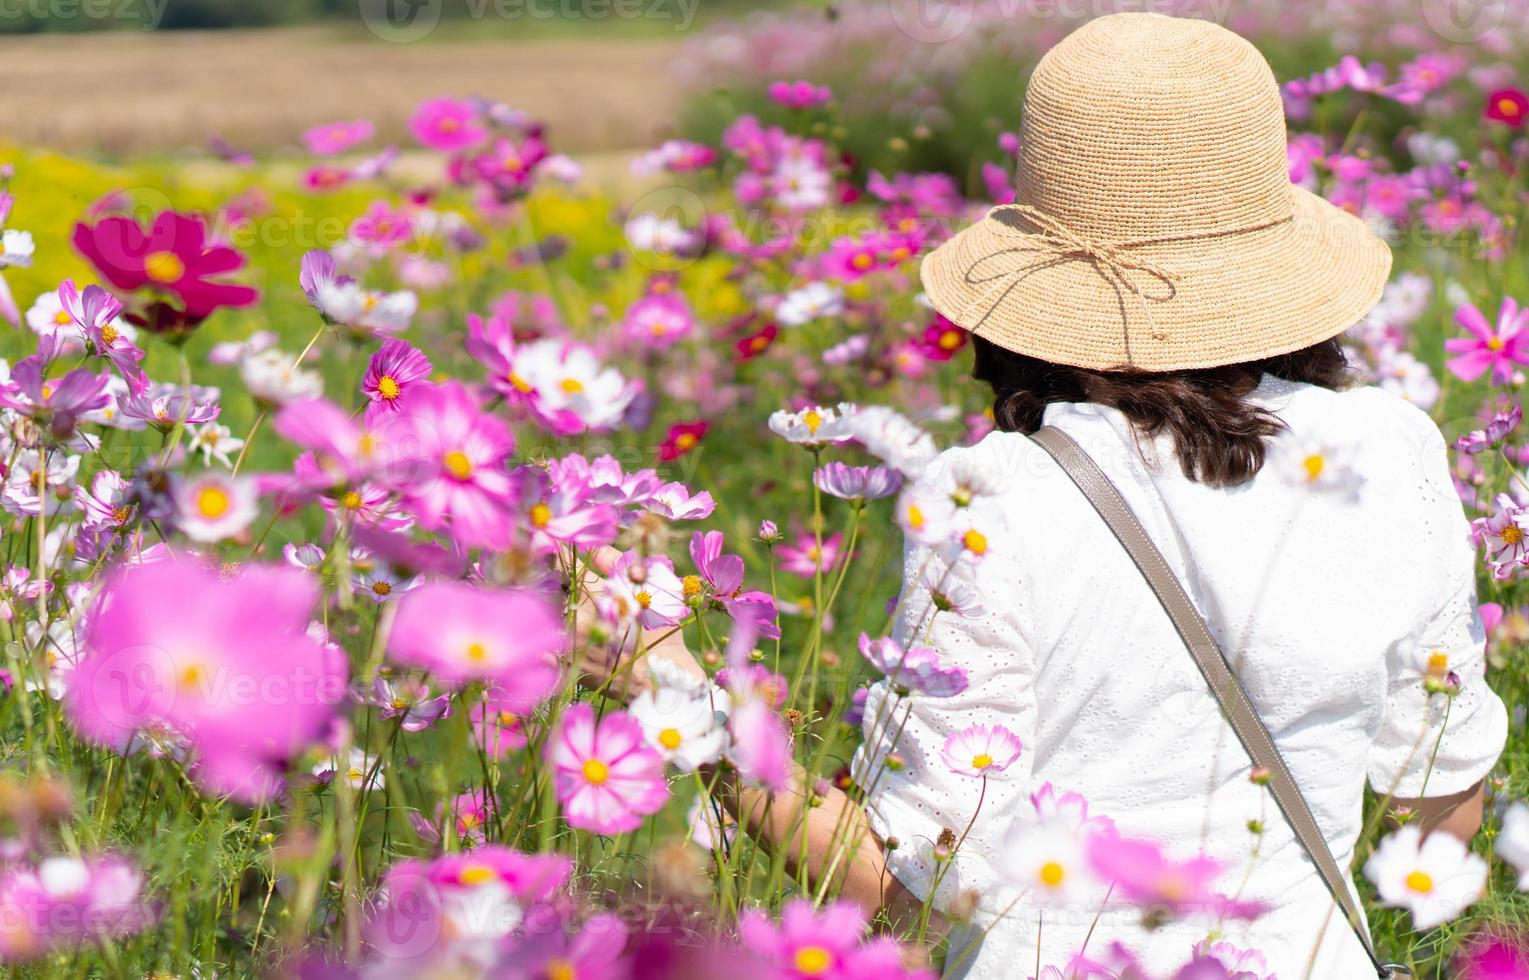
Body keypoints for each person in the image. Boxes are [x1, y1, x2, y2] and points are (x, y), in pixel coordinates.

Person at [585, 12, 1508, 978]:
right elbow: (1440, 795)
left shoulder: (992, 499)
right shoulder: (1390, 445)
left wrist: (677, 695)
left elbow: (907, 895)